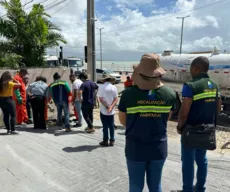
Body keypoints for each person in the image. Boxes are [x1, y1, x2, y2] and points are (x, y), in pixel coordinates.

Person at [118, 53, 176, 192]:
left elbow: (123, 121)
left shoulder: (128, 94)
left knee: (136, 186)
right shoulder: (169, 94)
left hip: (135, 148)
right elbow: (166, 118)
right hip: (158, 147)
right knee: (156, 186)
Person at [176, 56, 222, 192]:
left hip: (191, 131)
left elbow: (184, 111)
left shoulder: (190, 85)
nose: (190, 71)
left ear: (196, 68)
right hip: (207, 130)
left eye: (191, 68)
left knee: (188, 162)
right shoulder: (215, 85)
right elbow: (218, 108)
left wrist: (179, 127)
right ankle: (201, 188)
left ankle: (187, 189)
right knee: (202, 160)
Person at [98, 74, 118, 146]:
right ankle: (112, 140)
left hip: (104, 110)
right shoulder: (114, 87)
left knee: (105, 126)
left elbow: (101, 99)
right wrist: (111, 106)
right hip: (111, 110)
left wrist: (107, 106)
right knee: (111, 125)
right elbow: (116, 99)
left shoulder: (101, 87)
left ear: (104, 80)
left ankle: (105, 140)